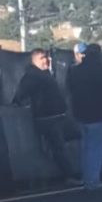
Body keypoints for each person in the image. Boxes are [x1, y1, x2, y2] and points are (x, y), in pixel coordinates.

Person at [13, 48, 76, 185]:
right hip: (47, 118)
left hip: (57, 116)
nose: (46, 60)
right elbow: (20, 95)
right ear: (34, 61)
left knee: (61, 146)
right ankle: (69, 175)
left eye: (46, 57)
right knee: (59, 148)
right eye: (42, 58)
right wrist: (19, 103)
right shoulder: (32, 76)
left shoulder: (45, 74)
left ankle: (64, 174)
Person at [67, 44, 102, 190]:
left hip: (80, 113)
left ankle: (87, 177)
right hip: (97, 113)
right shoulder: (97, 68)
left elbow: (69, 88)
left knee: (86, 148)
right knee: (96, 147)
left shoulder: (74, 70)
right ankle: (93, 180)